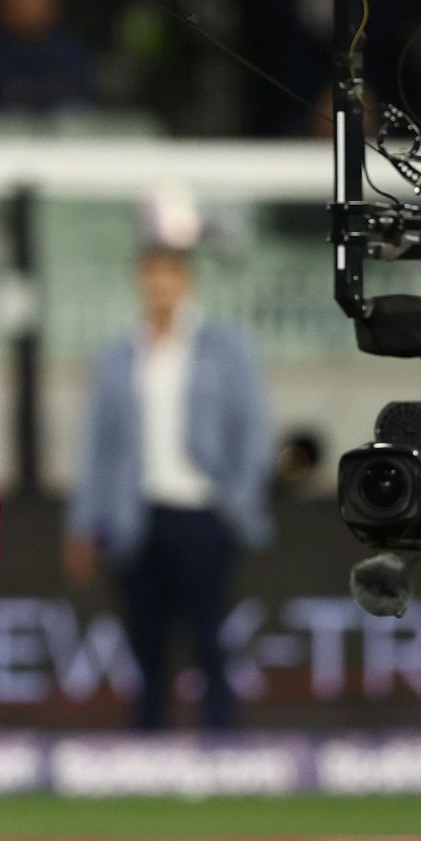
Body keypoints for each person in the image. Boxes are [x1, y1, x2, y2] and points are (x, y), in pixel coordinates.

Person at [62, 235, 273, 731]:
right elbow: (98, 448)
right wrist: (83, 524)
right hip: (137, 515)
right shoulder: (118, 355)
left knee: (210, 639)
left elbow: (254, 432)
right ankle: (147, 750)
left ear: (186, 281)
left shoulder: (226, 349)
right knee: (144, 642)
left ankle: (221, 745)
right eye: (150, 275)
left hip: (203, 511)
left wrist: (235, 507)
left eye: (168, 275)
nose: (159, 286)